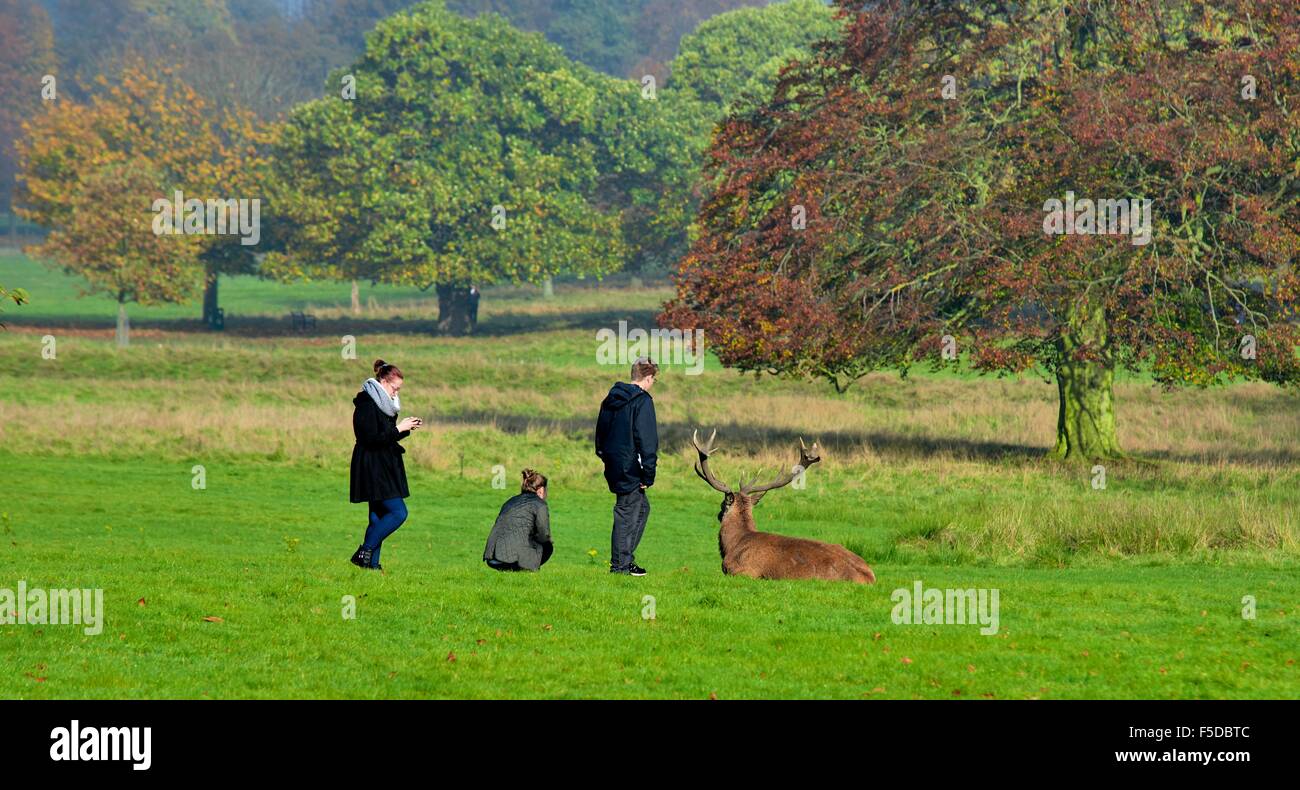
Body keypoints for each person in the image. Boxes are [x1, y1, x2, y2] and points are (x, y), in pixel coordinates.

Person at [349, 359, 422, 570]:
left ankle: (371, 565)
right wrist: (398, 429)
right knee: (398, 513)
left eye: (398, 390)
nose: (395, 394)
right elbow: (370, 439)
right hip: (373, 468)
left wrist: (405, 428)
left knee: (378, 516)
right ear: (382, 380)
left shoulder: (384, 405)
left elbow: (385, 436)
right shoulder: (366, 404)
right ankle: (364, 551)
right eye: (394, 388)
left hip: (384, 465)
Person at [595, 357, 658, 576]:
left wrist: (605, 457)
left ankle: (625, 559)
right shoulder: (642, 401)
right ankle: (620, 566)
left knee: (640, 508)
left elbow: (600, 435)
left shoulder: (611, 398)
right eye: (653, 380)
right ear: (648, 378)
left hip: (614, 463)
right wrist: (648, 476)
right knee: (626, 512)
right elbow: (647, 442)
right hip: (631, 467)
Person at [482, 469, 553, 572]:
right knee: (547, 545)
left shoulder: (510, 501)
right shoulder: (540, 504)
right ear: (541, 490)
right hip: (512, 559)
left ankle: (517, 568)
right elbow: (544, 535)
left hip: (493, 556)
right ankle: (528, 569)